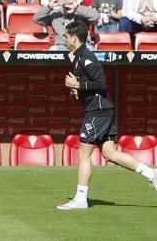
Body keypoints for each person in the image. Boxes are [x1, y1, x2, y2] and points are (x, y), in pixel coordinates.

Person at [57, 20, 157, 209]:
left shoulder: (87, 57)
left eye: (67, 35)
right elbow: (91, 86)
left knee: (84, 153)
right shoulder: (78, 57)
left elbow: (101, 83)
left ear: (74, 37)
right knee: (110, 153)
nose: (64, 38)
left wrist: (79, 85)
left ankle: (80, 199)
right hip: (101, 110)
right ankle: (151, 174)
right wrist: (78, 91)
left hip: (98, 111)